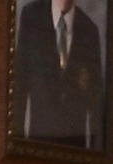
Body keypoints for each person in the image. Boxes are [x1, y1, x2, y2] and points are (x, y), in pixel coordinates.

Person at [12, 0, 105, 148]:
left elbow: (96, 105)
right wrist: (17, 148)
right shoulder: (32, 18)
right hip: (36, 149)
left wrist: (94, 157)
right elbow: (19, 89)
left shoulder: (89, 31)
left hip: (74, 153)